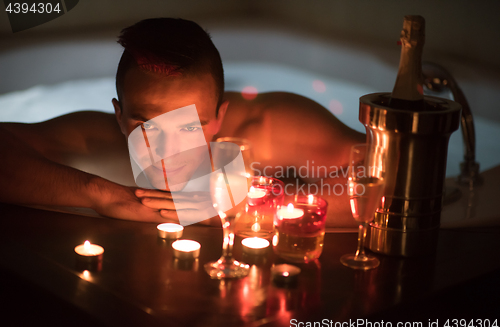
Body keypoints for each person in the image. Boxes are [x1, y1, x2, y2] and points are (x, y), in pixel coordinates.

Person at [0, 18, 364, 228]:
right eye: (149, 126)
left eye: (189, 126)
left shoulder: (268, 127)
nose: (167, 153)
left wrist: (245, 207)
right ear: (120, 117)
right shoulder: (98, 140)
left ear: (220, 118)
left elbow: (385, 184)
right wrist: (106, 196)